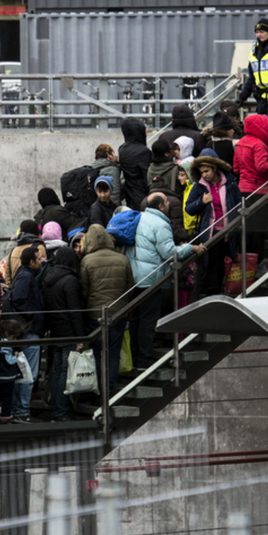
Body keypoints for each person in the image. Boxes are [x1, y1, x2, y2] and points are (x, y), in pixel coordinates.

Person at [128, 194, 197, 365]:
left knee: (135, 320)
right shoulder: (160, 224)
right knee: (148, 320)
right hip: (151, 279)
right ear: (160, 206)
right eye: (166, 202)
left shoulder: (139, 217)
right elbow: (169, 253)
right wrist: (190, 247)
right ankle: (144, 359)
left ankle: (135, 357)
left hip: (133, 277)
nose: (168, 204)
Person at [79, 224, 133, 387]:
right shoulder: (122, 259)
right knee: (114, 352)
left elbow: (84, 290)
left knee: (98, 352)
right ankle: (110, 386)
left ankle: (99, 388)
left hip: (95, 314)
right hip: (118, 314)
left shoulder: (86, 261)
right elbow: (129, 287)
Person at [186, 152, 241, 298]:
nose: (204, 175)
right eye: (201, 172)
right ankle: (213, 293)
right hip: (211, 233)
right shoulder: (199, 186)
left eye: (207, 171)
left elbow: (238, 203)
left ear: (215, 168)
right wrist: (201, 202)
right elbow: (189, 208)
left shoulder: (230, 182)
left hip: (230, 231)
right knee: (213, 266)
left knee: (227, 263)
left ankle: (223, 292)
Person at [234, 113, 268, 265]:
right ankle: (259, 261)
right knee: (260, 230)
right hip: (260, 191)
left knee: (248, 229)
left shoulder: (241, 142)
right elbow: (262, 166)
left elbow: (236, 168)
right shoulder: (259, 144)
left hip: (243, 190)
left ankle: (247, 261)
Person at [42, 247, 85, 422]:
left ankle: (55, 408)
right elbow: (75, 311)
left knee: (58, 371)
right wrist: (80, 337)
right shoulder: (70, 281)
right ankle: (61, 412)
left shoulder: (48, 279)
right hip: (68, 333)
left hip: (56, 332)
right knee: (64, 373)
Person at [8, 246, 45, 424]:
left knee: (26, 372)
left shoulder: (26, 274)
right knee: (28, 374)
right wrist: (34, 315)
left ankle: (20, 410)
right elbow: (18, 299)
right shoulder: (26, 276)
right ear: (31, 261)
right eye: (38, 259)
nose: (41, 261)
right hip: (29, 331)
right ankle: (21, 411)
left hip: (29, 330)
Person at [118, 117, 151, 211]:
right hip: (142, 195)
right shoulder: (143, 151)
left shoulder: (122, 149)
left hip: (129, 194)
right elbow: (147, 177)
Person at [3, 221, 46, 287]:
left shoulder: (13, 251)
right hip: (34, 292)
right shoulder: (39, 248)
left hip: (15, 292)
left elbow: (8, 276)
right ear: (36, 231)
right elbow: (43, 271)